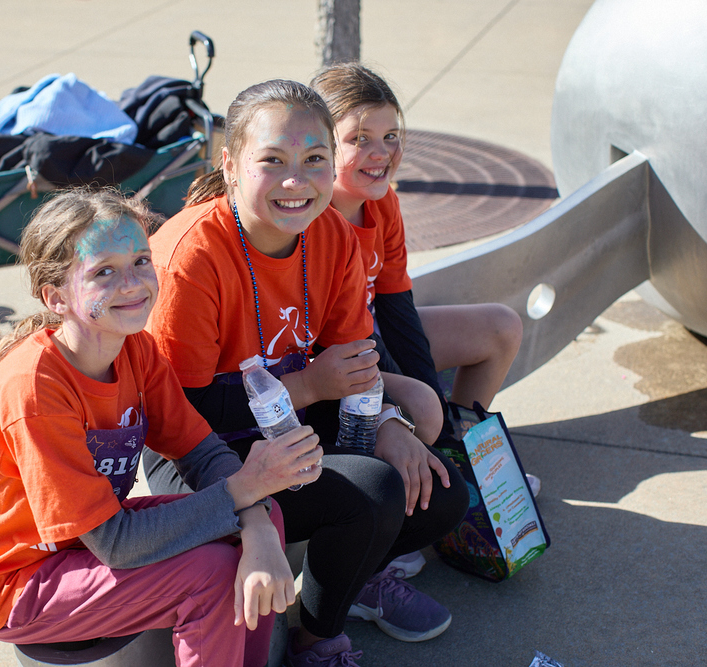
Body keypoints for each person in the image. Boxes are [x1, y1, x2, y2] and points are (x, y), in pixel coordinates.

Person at [142, 79, 469, 666]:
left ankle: (350, 575)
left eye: (314, 160)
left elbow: (355, 358)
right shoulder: (192, 256)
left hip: (289, 422)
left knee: (439, 493)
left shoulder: (333, 235)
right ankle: (317, 642)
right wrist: (311, 385)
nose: (297, 182)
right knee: (374, 492)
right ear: (231, 164)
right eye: (273, 161)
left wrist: (391, 422)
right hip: (200, 453)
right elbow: (177, 417)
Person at [0, 188, 323, 667]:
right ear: (56, 297)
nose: (133, 283)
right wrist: (246, 487)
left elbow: (199, 451)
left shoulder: (135, 349)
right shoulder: (36, 388)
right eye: (103, 272)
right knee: (213, 573)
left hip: (84, 541)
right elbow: (115, 544)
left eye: (141, 260)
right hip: (15, 582)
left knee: (265, 519)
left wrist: (258, 521)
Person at [310, 63, 537, 514]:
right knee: (421, 406)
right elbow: (339, 338)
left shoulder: (383, 202)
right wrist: (420, 399)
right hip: (326, 360)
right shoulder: (311, 219)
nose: (381, 152)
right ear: (322, 144)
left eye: (391, 135)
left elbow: (396, 307)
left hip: (372, 334)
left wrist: (439, 414)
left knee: (500, 328)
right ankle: (402, 505)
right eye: (360, 139)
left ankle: (457, 454)